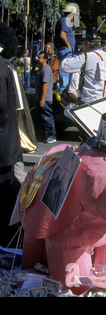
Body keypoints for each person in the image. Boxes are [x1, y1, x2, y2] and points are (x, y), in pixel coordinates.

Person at [0, 22, 23, 247]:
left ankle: (10, 243)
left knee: (5, 198)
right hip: (6, 143)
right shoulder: (4, 65)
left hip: (2, 145)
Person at [60, 36, 106, 103]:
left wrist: (68, 52)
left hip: (91, 102)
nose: (81, 47)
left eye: (82, 44)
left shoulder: (87, 57)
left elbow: (64, 66)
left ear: (88, 44)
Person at [35, 50, 57, 143]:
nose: (37, 59)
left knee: (47, 116)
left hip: (45, 98)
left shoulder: (46, 69)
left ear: (45, 59)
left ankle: (51, 135)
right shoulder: (40, 68)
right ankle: (42, 135)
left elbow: (45, 84)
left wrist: (42, 99)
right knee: (40, 117)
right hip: (39, 97)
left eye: (40, 58)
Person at [54, 4, 77, 91]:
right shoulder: (64, 21)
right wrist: (69, 46)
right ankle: (63, 89)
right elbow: (62, 35)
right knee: (65, 68)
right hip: (65, 49)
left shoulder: (64, 21)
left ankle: (64, 88)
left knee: (65, 68)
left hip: (64, 49)